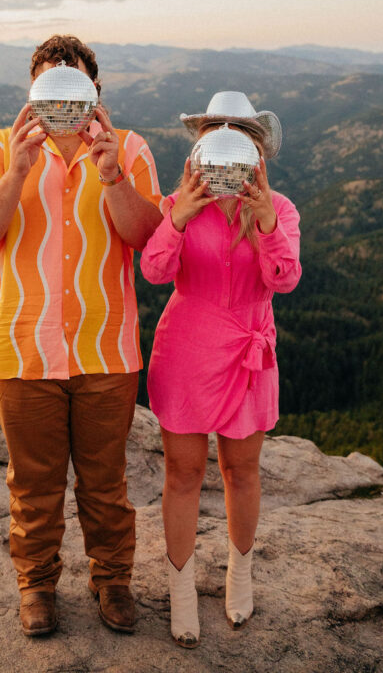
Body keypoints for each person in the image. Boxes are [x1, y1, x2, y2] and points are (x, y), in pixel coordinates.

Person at [0, 34, 163, 637]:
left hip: (106, 346)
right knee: (33, 483)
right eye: (49, 86)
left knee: (106, 480)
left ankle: (113, 579)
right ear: (33, 93)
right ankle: (37, 587)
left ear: (95, 92)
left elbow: (145, 237)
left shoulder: (131, 149)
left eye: (75, 86)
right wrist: (18, 171)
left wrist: (113, 175)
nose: (64, 100)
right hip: (23, 346)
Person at [140, 91, 301, 648]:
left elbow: (283, 279)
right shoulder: (180, 202)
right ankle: (181, 591)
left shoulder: (279, 209)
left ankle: (240, 574)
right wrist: (178, 218)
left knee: (242, 471)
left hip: (249, 355)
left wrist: (264, 222)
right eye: (220, 131)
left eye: (242, 133)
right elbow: (156, 271)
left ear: (257, 151)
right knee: (183, 475)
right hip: (186, 351)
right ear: (204, 147)